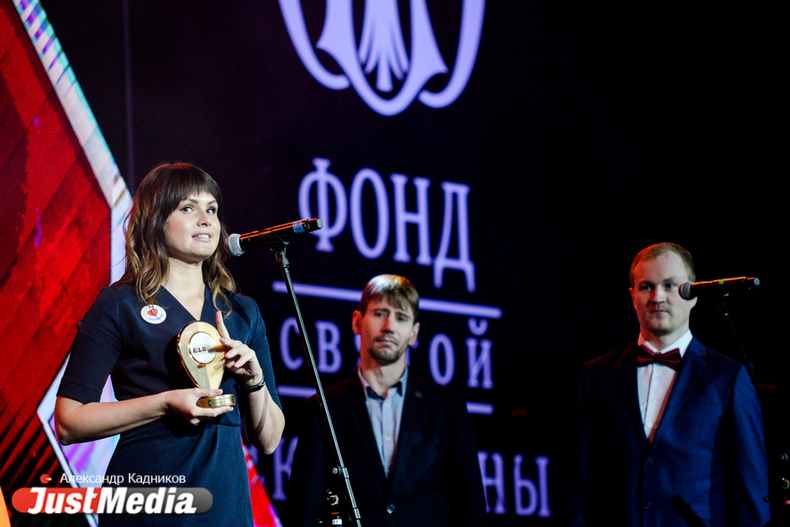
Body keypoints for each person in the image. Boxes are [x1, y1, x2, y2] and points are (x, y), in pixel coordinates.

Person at [54, 163, 285, 526]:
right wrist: (164, 403)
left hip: (224, 505)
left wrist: (254, 381)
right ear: (155, 221)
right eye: (188, 208)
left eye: (212, 209)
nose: (206, 220)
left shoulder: (241, 312)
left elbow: (269, 440)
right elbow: (69, 422)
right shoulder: (121, 304)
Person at [569, 242, 770, 526]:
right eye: (646, 287)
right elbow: (580, 480)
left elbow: (751, 490)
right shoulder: (598, 374)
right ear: (633, 296)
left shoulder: (729, 376)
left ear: (693, 294)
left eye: (670, 285)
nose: (657, 297)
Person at [288, 274, 487, 527]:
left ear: (414, 333)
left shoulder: (447, 406)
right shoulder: (323, 409)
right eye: (380, 313)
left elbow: (470, 508)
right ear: (357, 321)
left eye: (401, 317)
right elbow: (304, 512)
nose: (389, 326)